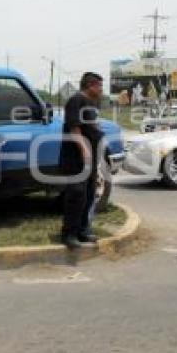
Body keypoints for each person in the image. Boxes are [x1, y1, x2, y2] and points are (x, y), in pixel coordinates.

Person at [59, 72, 105, 249]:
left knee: (89, 195)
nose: (101, 89)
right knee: (76, 195)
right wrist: (84, 149)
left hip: (90, 160)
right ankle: (69, 233)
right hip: (76, 159)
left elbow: (92, 127)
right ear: (91, 85)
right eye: (100, 86)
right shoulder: (76, 101)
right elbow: (74, 128)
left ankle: (82, 230)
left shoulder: (92, 104)